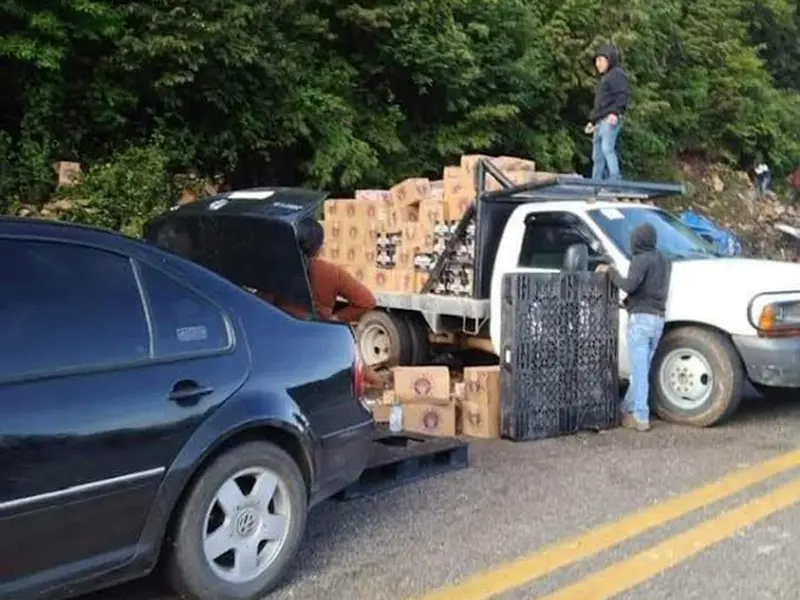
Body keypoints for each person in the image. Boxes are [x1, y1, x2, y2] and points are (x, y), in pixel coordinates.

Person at [601, 223, 671, 432]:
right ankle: (627, 408)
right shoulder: (665, 260)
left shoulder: (640, 260)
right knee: (642, 369)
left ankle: (641, 416)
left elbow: (629, 285)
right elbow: (649, 288)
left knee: (639, 372)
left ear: (638, 241)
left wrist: (611, 273)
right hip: (658, 319)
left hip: (641, 320)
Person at [585, 44, 630, 181]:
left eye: (601, 60)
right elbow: (600, 104)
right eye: (596, 61)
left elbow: (622, 95)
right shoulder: (604, 79)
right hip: (599, 121)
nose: (598, 64)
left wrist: (615, 113)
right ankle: (596, 182)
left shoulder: (617, 75)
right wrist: (592, 121)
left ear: (609, 60)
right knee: (597, 155)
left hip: (609, 119)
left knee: (607, 149)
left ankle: (615, 179)